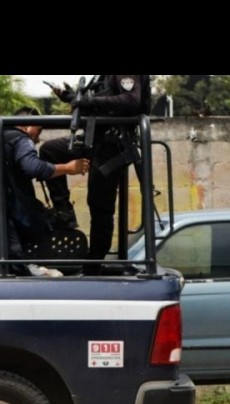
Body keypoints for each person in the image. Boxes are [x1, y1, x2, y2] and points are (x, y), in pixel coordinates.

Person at [0, 107, 90, 276]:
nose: (38, 139)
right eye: (38, 132)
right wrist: (69, 168)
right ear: (27, 125)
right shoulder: (19, 138)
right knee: (15, 273)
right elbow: (33, 167)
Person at [39, 75, 151, 264]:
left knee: (99, 205)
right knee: (50, 150)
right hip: (94, 139)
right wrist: (72, 97)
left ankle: (95, 262)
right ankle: (64, 213)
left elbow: (132, 100)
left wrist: (90, 100)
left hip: (113, 145)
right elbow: (103, 99)